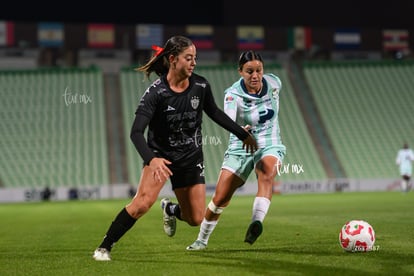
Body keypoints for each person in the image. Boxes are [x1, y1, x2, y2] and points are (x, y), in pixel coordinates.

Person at [92, 36, 257, 261]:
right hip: (161, 157)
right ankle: (104, 247)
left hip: (190, 156)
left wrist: (241, 133)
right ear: (172, 59)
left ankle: (170, 209)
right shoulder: (156, 93)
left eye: (195, 58)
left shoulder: (201, 85)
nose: (193, 63)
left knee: (196, 218)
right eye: (188, 58)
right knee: (142, 204)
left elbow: (215, 113)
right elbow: (136, 132)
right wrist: (152, 159)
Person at [186, 50, 286, 250]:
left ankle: (256, 222)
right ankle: (201, 240)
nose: (255, 75)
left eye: (258, 70)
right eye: (249, 71)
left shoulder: (274, 83)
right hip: (240, 146)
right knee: (221, 197)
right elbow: (229, 120)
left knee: (266, 174)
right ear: (240, 72)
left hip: (269, 142)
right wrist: (241, 130)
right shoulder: (233, 95)